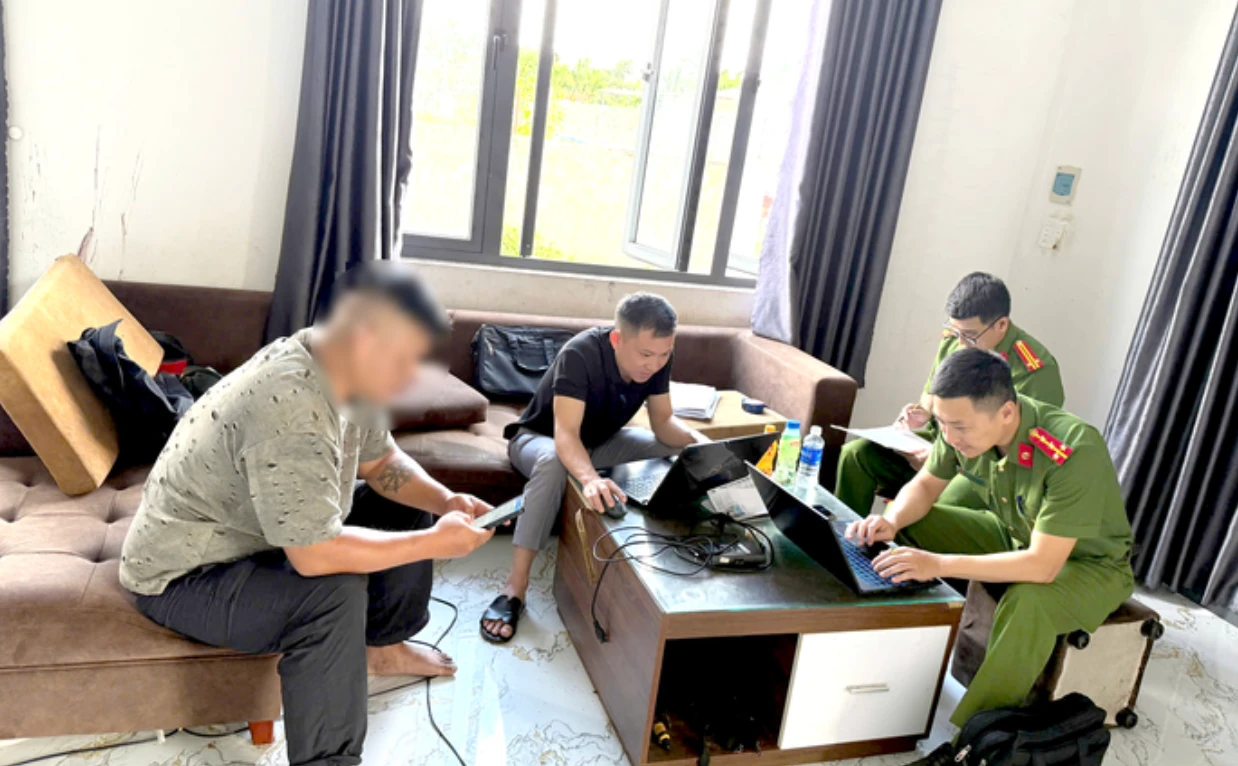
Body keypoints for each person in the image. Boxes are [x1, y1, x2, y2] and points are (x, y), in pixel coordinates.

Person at [120, 263, 495, 766]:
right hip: (184, 575)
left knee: (403, 504)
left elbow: (381, 462)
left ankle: (381, 647)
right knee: (332, 595)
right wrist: (435, 543)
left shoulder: (339, 360)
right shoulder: (291, 405)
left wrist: (446, 502)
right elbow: (314, 555)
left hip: (255, 533)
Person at [846, 348, 1133, 766]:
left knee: (1029, 601)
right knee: (910, 528)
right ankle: (880, 653)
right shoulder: (961, 425)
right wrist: (890, 521)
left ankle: (969, 747)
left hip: (1091, 565)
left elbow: (1042, 565)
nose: (949, 437)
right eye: (943, 424)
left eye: (958, 427)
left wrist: (938, 563)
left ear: (1007, 413)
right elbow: (925, 486)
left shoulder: (1073, 450)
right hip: (1014, 535)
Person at [481, 293, 708, 642]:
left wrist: (702, 444)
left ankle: (681, 541)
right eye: (646, 355)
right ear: (617, 339)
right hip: (539, 440)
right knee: (556, 462)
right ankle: (515, 586)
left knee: (678, 450)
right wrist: (589, 479)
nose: (654, 364)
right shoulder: (580, 353)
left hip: (601, 443)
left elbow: (663, 423)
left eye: (664, 355)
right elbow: (566, 435)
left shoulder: (658, 356)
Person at [835, 272, 1064, 516]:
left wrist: (945, 460)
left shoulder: (1035, 371)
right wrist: (921, 413)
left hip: (987, 470)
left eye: (970, 336)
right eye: (955, 332)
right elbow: (932, 396)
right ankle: (840, 536)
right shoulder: (956, 338)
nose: (961, 343)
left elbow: (1019, 448)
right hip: (941, 444)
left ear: (1001, 325)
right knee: (856, 455)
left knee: (936, 507)